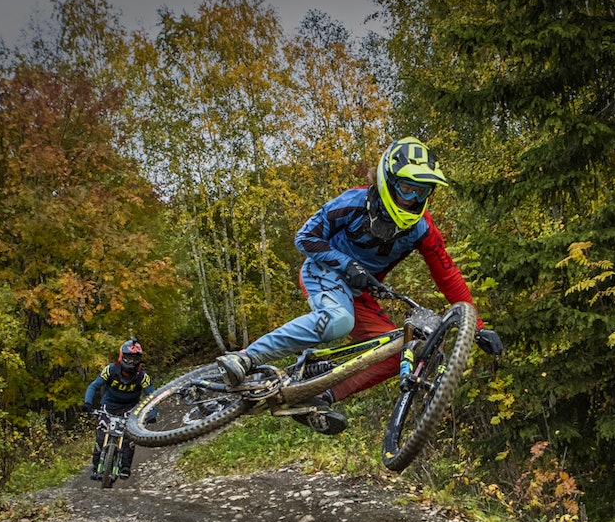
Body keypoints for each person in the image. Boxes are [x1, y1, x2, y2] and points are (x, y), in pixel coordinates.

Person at [216, 136, 503, 435]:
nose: (413, 199)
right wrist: (347, 264)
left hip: (359, 292)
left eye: (422, 192)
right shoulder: (352, 203)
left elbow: (448, 274)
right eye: (406, 188)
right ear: (388, 181)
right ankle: (247, 357)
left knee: (400, 352)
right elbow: (305, 237)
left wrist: (477, 327)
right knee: (339, 321)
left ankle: (316, 398)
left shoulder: (422, 228)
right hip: (323, 272)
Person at [83, 339, 154, 479]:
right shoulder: (110, 369)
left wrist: (152, 413)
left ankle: (125, 467)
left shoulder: (143, 376)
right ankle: (95, 467)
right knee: (101, 435)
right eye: (128, 357)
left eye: (135, 358)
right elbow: (94, 386)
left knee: (129, 437)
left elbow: (152, 396)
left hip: (130, 408)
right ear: (122, 356)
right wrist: (87, 403)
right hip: (109, 405)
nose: (131, 362)